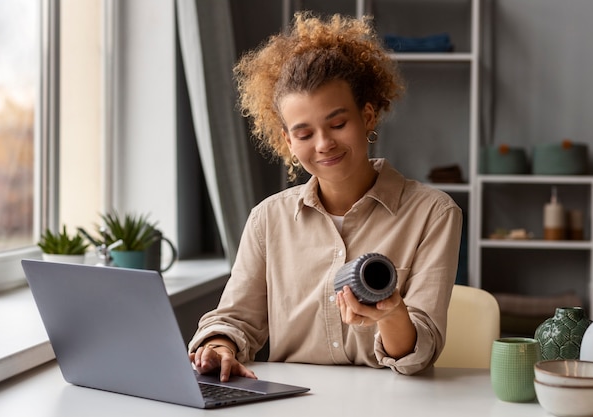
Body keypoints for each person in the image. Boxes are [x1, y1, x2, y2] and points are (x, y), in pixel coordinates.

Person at [188, 12, 463, 381]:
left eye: (337, 124)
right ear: (286, 141)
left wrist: (391, 314)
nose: (324, 144)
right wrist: (220, 347)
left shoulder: (433, 214)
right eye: (303, 134)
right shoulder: (268, 219)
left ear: (367, 116)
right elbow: (235, 319)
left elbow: (418, 354)